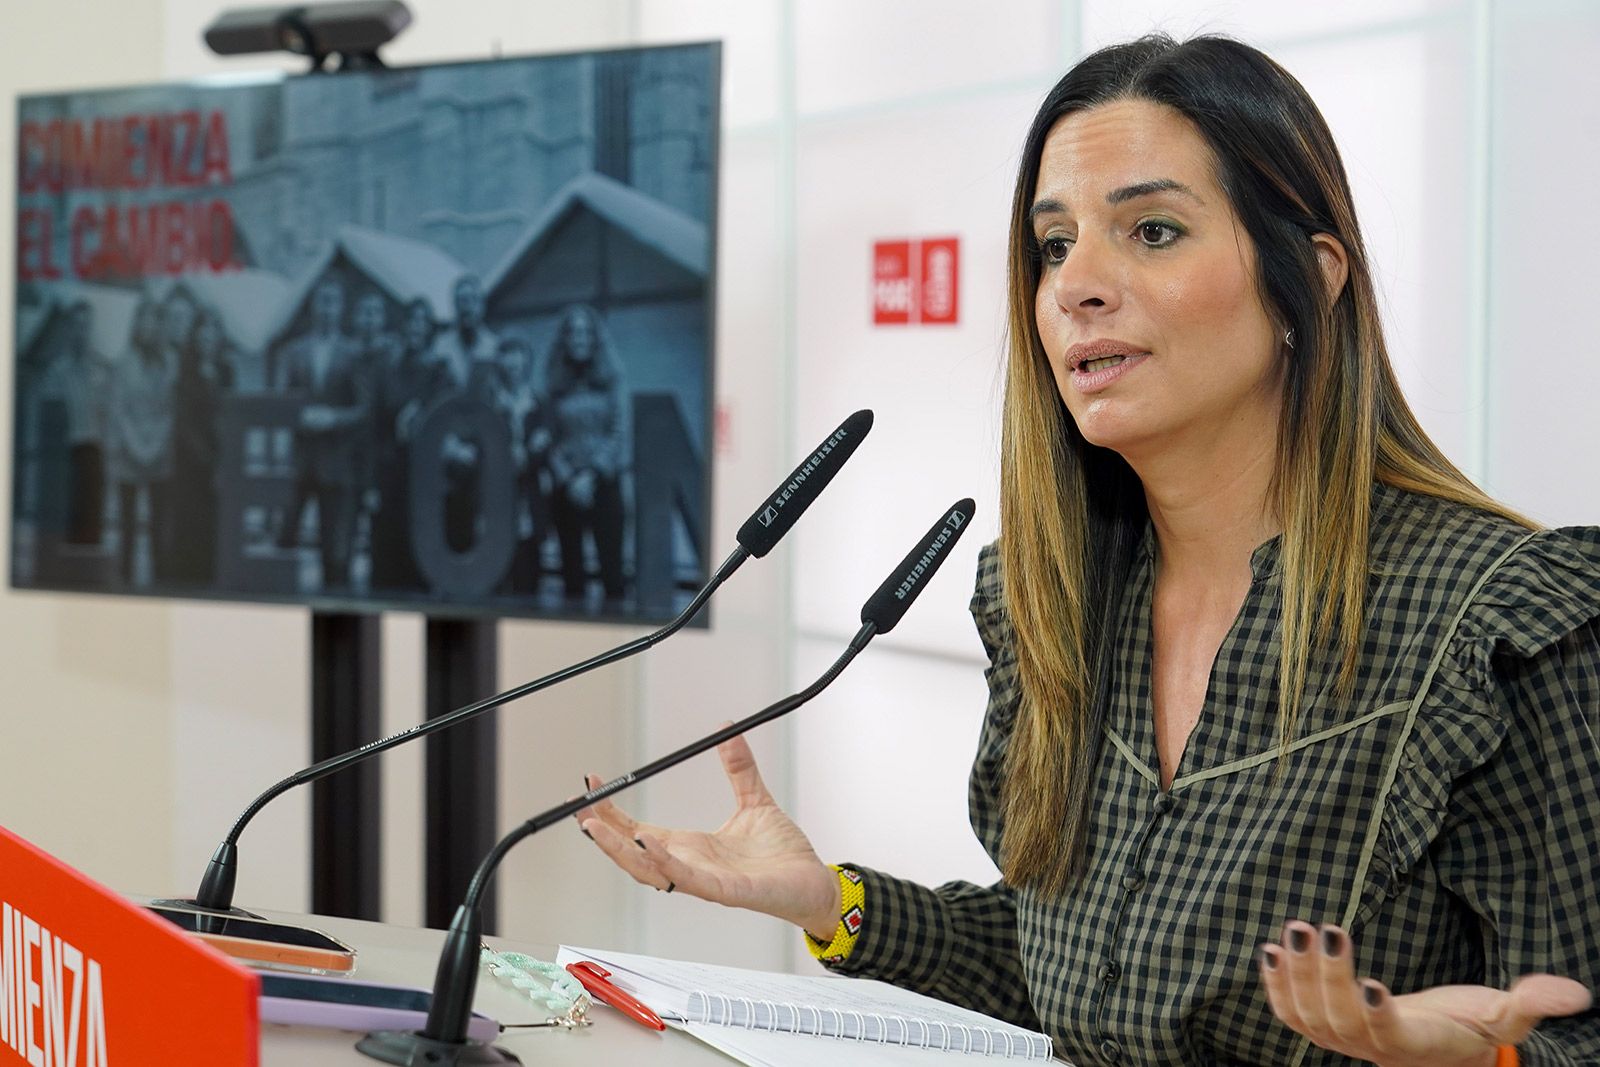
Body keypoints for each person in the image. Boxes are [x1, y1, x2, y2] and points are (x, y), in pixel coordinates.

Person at [575, 35, 1598, 1066]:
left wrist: (1476, 1055)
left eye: (1151, 230)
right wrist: (829, 900)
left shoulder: (1505, 625)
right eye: (1054, 243)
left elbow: (1570, 1031)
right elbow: (1091, 978)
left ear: (1309, 278)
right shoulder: (1049, 600)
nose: (1078, 284)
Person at [277, 277, 370, 590]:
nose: (327, 309)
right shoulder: (295, 352)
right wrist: (298, 417)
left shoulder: (354, 353)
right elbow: (283, 403)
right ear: (312, 306)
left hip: (337, 462)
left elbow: (362, 409)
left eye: (333, 302)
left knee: (335, 551)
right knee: (284, 540)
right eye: (322, 301)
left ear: (341, 308)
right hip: (300, 461)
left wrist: (332, 419)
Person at [544, 304, 628, 606]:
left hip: (603, 484)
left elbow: (619, 432)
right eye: (572, 332)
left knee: (613, 577)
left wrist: (592, 476)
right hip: (566, 489)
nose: (579, 338)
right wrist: (568, 478)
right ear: (564, 339)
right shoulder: (554, 385)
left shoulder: (611, 380)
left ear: (595, 338)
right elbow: (549, 438)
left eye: (585, 331)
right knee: (572, 582)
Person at [110, 293, 176, 585]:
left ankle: (160, 584)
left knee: (161, 525)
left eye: (154, 319)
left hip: (161, 455)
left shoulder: (172, 361)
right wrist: (137, 446)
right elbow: (119, 409)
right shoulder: (123, 362)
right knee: (127, 526)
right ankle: (125, 582)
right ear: (136, 324)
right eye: (143, 319)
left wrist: (156, 445)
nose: (148, 326)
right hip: (129, 454)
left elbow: (172, 409)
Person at [168, 304, 236, 585]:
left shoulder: (227, 370)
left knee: (214, 523)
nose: (207, 334)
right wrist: (206, 460)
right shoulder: (184, 368)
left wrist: (223, 460)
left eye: (213, 328)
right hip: (189, 461)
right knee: (188, 520)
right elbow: (182, 421)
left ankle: (210, 578)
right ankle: (185, 579)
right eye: (202, 328)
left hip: (220, 461)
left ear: (220, 336)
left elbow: (233, 416)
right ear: (195, 335)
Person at [40, 300, 111, 545]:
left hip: (93, 451)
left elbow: (108, 412)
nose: (82, 332)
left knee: (92, 513)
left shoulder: (100, 371)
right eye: (77, 326)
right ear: (70, 329)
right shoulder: (57, 371)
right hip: (64, 453)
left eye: (86, 326)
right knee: (66, 520)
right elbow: (48, 412)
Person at [490, 334, 553, 595]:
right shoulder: (490, 404)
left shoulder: (540, 404)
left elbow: (547, 446)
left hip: (530, 496)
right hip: (497, 500)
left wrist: (531, 453)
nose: (513, 362)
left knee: (529, 572)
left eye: (519, 355)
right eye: (508, 355)